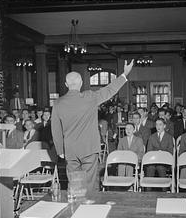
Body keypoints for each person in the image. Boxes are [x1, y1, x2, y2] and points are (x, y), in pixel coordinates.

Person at [51, 59, 134, 197]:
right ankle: (89, 209)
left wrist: (60, 150)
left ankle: (76, 208)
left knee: (75, 183)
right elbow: (109, 90)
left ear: (66, 84)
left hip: (70, 149)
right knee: (89, 182)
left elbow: (55, 129)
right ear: (81, 83)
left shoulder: (58, 103)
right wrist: (124, 74)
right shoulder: (89, 97)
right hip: (89, 148)